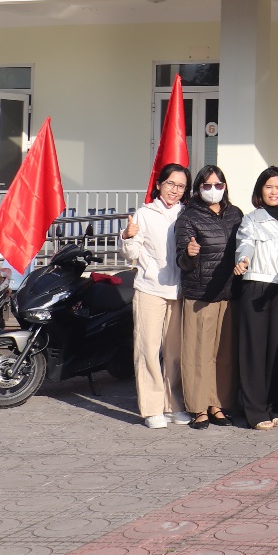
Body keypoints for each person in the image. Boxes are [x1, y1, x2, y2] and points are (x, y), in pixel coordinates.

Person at [233, 167, 278, 431]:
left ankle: (276, 407)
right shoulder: (250, 219)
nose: (274, 192)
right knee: (254, 350)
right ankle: (255, 410)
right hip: (256, 285)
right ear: (260, 191)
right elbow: (245, 244)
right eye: (269, 187)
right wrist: (242, 260)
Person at [121, 164, 192, 428]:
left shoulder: (188, 213)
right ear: (159, 184)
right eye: (170, 184)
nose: (175, 190)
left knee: (175, 353)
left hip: (180, 290)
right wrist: (128, 237)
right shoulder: (144, 213)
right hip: (150, 288)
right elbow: (131, 254)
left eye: (181, 186)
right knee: (148, 350)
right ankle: (152, 409)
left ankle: (173, 405)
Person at [174, 164, 243, 429]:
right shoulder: (188, 217)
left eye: (218, 185)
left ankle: (218, 404)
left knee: (223, 354)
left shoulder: (235, 214)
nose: (213, 190)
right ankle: (198, 407)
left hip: (229, 293)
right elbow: (182, 258)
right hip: (200, 295)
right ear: (198, 188)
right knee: (197, 353)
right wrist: (190, 254)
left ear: (225, 187)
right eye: (207, 185)